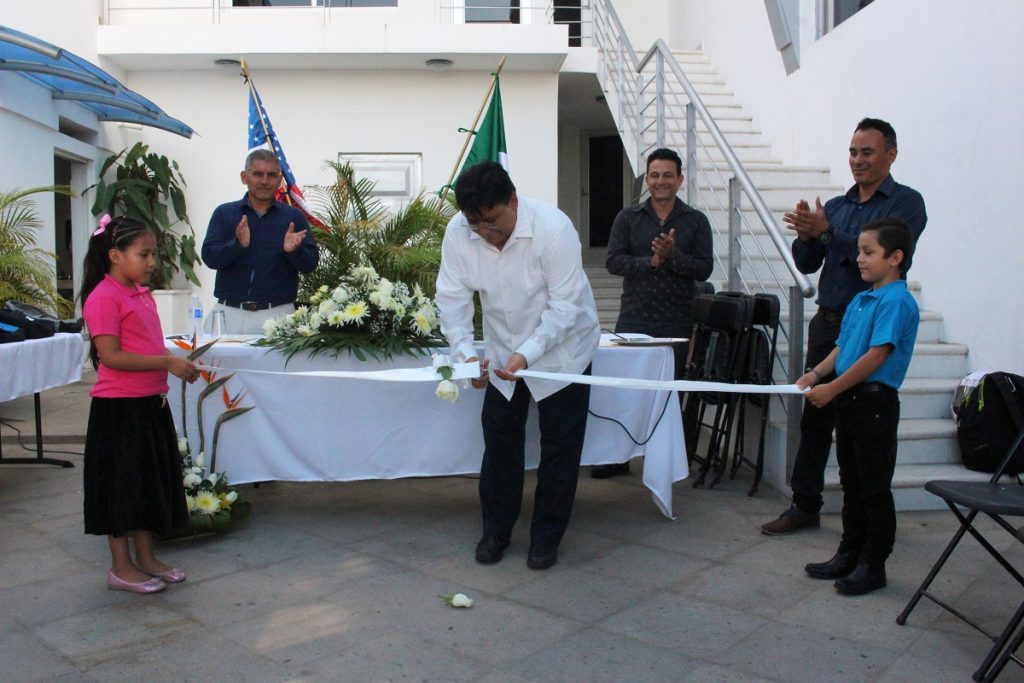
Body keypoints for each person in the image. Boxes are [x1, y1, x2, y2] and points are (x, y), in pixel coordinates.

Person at [762, 117, 927, 535]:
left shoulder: (906, 203)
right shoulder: (834, 206)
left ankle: (868, 523)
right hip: (831, 321)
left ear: (890, 154)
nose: (857, 160)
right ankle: (805, 504)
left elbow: (880, 248)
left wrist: (828, 232)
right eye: (853, 152)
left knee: (862, 430)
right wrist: (807, 234)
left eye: (867, 152)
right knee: (815, 416)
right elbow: (807, 264)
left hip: (872, 325)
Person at [435, 161, 600, 570]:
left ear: (513, 200)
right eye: (476, 225)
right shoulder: (460, 233)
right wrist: (467, 357)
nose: (485, 233)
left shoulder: (553, 229)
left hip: (563, 352)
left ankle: (546, 537)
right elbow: (451, 301)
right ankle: (496, 531)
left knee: (560, 447)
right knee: (500, 443)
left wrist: (527, 354)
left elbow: (566, 308)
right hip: (501, 350)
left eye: (492, 221)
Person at [80, 215, 201, 594]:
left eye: (153, 254)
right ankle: (120, 567)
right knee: (120, 488)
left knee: (147, 484)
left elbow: (146, 344)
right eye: (143, 254)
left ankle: (146, 558)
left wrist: (176, 358)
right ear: (115, 255)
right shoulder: (103, 297)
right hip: (119, 411)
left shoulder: (139, 293)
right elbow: (111, 356)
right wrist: (167, 363)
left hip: (149, 404)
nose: (152, 262)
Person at [798, 218, 919, 594]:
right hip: (850, 400)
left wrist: (831, 389)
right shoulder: (862, 299)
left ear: (895, 257)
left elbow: (876, 356)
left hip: (874, 403)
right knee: (850, 481)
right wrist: (815, 374)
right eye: (859, 251)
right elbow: (843, 347)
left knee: (873, 486)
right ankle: (849, 552)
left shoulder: (896, 301)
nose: (860, 259)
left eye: (869, 252)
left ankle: (873, 562)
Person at [596, 147, 714, 478]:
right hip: (634, 316)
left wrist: (673, 256)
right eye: (654, 175)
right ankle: (617, 456)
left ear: (680, 179)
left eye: (667, 175)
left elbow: (704, 269)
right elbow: (613, 261)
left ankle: (661, 460)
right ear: (646, 179)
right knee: (625, 390)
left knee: (667, 392)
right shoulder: (628, 218)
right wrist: (650, 262)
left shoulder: (695, 221)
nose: (660, 181)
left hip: (676, 319)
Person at [201, 149, 318, 335]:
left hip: (278, 316)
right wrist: (237, 245)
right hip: (229, 314)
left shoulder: (293, 217)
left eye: (271, 175)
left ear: (279, 180)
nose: (264, 181)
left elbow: (310, 264)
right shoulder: (225, 214)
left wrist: (292, 251)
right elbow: (210, 258)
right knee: (215, 365)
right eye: (258, 174)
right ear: (244, 177)